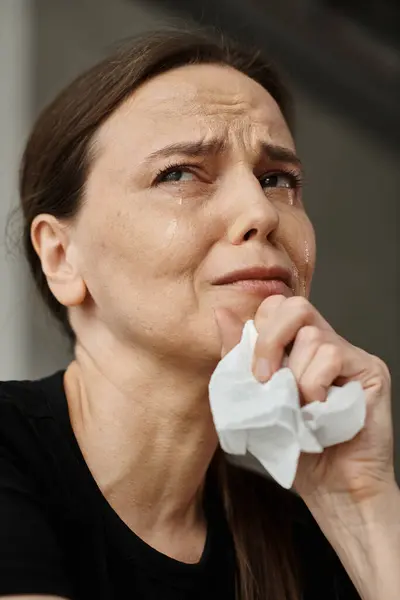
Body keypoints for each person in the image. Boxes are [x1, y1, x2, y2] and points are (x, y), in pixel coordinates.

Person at [0, 27, 398, 600]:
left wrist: (360, 506)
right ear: (62, 257)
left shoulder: (303, 535)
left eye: (276, 179)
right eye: (181, 173)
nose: (260, 211)